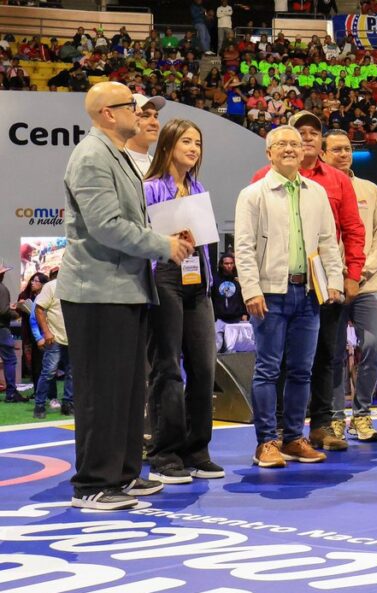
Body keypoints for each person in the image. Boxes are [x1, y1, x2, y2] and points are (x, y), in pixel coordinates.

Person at [61, 81, 194, 509]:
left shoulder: (115, 155)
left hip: (123, 288)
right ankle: (93, 483)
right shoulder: (91, 156)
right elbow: (106, 226)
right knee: (103, 391)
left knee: (127, 389)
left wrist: (164, 239)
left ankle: (122, 473)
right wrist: (163, 245)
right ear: (106, 113)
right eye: (129, 106)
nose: (139, 113)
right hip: (97, 291)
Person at [251, 111, 366, 453]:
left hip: (320, 285)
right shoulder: (260, 182)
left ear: (315, 142)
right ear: (272, 150)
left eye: (310, 134)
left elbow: (347, 233)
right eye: (295, 135)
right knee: (276, 364)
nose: (303, 140)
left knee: (323, 357)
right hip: (275, 287)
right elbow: (248, 242)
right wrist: (252, 287)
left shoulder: (332, 182)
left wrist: (349, 275)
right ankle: (275, 435)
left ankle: (317, 427)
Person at [235, 125, 345, 468]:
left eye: (295, 144)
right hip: (269, 293)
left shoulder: (316, 193)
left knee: (302, 370)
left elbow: (328, 242)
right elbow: (244, 248)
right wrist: (251, 289)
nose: (289, 149)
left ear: (304, 152)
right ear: (268, 153)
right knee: (267, 370)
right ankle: (266, 442)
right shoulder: (252, 194)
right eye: (280, 143)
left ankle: (295, 438)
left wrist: (335, 283)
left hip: (308, 293)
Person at [143, 118, 223, 484]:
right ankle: (165, 453)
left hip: (198, 279)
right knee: (168, 368)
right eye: (187, 141)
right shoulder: (150, 188)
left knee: (205, 368)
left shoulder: (198, 187)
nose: (194, 148)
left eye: (199, 143)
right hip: (164, 277)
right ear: (168, 144)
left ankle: (198, 450)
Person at [321, 130, 377, 446]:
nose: (344, 154)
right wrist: (336, 276)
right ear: (322, 154)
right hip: (330, 286)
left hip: (365, 283)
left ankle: (361, 415)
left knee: (375, 346)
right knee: (333, 354)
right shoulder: (317, 189)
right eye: (336, 149)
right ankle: (335, 418)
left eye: (347, 149)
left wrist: (359, 272)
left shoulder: (371, 190)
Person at [33, 269, 72, 420]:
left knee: (71, 374)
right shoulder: (51, 286)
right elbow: (39, 309)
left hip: (72, 339)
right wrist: (46, 332)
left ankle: (68, 405)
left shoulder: (77, 286)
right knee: (49, 372)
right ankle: (40, 405)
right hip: (54, 338)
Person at [0, 264, 26, 404]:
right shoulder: (2, 289)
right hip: (1, 329)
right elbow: (3, 311)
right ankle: (11, 393)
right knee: (10, 360)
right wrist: (16, 313)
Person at [125, 94, 166, 176]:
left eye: (156, 116)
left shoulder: (160, 168)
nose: (155, 123)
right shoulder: (113, 161)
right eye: (145, 116)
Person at [213, 253, 247, 324]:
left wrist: (245, 313)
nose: (229, 266)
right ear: (221, 265)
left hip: (237, 318)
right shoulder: (215, 280)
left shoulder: (238, 279)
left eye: (231, 263)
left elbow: (243, 297)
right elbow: (212, 298)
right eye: (226, 263)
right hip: (219, 319)